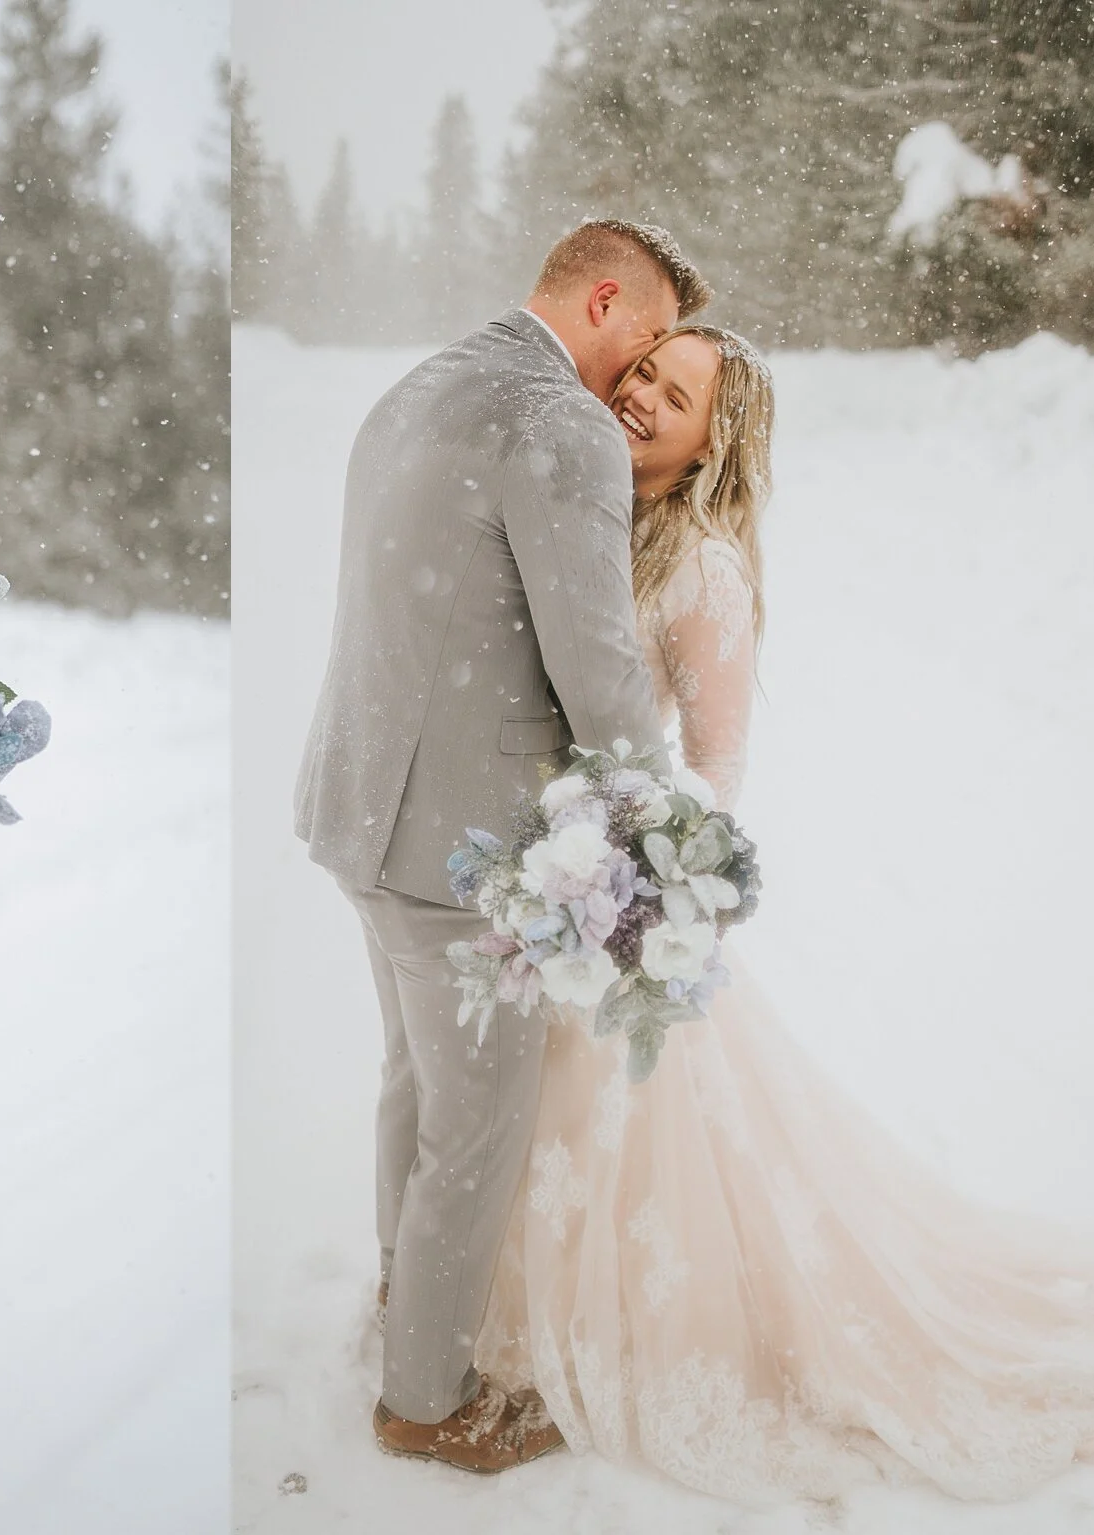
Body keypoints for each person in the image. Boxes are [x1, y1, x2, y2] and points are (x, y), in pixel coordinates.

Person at [474, 324, 1094, 1503]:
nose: (642, 396)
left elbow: (714, 765)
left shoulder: (700, 566)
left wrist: (613, 861)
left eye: (677, 393)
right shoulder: (582, 514)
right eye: (642, 372)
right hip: (531, 881)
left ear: (717, 439)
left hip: (603, 902)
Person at [293, 218, 711, 1471]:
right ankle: (425, 1396)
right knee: (476, 1124)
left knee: (412, 1089)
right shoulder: (554, 421)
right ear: (599, 302)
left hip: (358, 806)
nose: (633, 385)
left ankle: (399, 1303)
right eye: (639, 346)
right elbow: (596, 669)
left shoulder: (416, 385)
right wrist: (663, 836)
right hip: (461, 841)